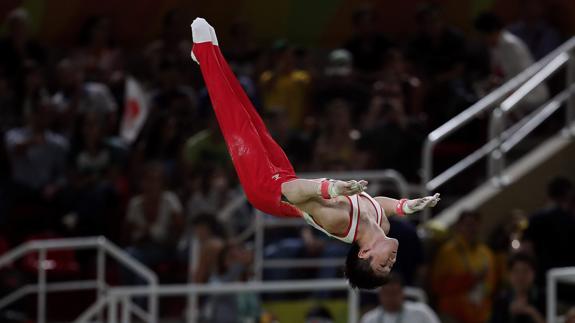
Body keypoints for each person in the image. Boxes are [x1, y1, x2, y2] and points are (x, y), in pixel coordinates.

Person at [190, 18, 440, 289]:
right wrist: (404, 206)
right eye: (390, 268)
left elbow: (291, 193)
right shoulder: (383, 226)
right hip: (283, 179)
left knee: (236, 122)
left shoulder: (338, 221)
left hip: (268, 191)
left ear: (364, 253)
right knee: (251, 117)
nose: (391, 262)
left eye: (383, 265)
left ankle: (203, 48)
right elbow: (377, 205)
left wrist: (330, 188)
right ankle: (208, 56)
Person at [431, 210, 497, 323]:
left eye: (475, 224)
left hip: (480, 315)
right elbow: (438, 285)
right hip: (453, 315)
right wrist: (470, 279)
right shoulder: (448, 252)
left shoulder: (486, 253)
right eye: (468, 224)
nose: (472, 228)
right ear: (459, 226)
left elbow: (492, 284)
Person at [474, 11, 548, 109]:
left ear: (493, 31)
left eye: (483, 36)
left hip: (531, 92)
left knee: (493, 102)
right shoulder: (494, 48)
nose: (482, 40)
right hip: (512, 90)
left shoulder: (512, 45)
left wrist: (508, 90)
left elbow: (525, 75)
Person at [522, 177, 575, 287]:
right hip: (568, 279)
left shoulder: (534, 218)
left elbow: (527, 249)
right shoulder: (570, 220)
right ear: (568, 195)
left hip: (543, 279)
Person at [360, 273, 440, 323]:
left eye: (394, 293)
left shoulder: (421, 313)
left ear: (402, 293)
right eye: (387, 293)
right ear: (381, 295)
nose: (390, 298)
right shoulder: (369, 319)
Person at [490, 253, 545, 323]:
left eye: (525, 271)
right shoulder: (501, 301)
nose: (520, 277)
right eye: (516, 271)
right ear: (509, 275)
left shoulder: (542, 297)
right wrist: (509, 313)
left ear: (533, 273)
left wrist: (532, 312)